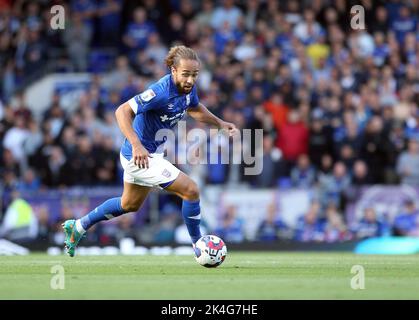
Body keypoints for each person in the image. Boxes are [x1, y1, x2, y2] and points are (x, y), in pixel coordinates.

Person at [62, 45, 238, 257]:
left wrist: (219, 123)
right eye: (185, 74)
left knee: (129, 204)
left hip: (147, 154)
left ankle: (78, 226)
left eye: (194, 75)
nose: (190, 80)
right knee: (191, 190)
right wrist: (137, 145)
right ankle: (199, 246)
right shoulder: (160, 92)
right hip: (140, 155)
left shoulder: (188, 89)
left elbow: (195, 109)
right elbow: (122, 111)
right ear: (173, 70)